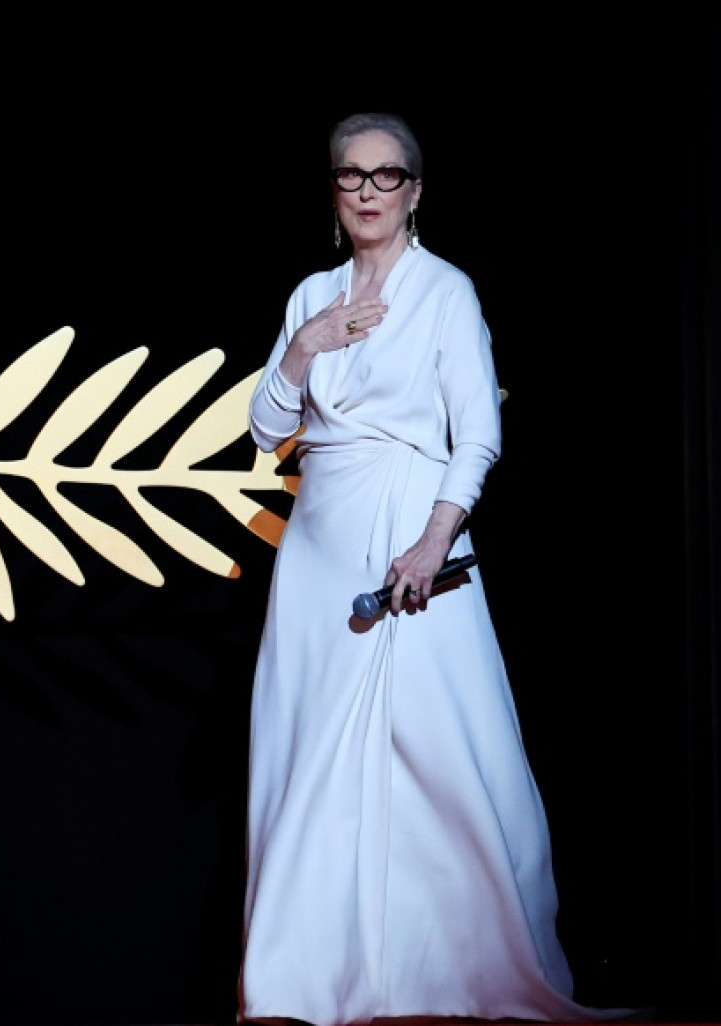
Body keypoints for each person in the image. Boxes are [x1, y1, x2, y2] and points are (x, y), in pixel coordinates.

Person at [239, 112, 632, 1025]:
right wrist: (305, 348)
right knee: (309, 755)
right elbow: (266, 431)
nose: (368, 191)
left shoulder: (445, 292)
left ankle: (446, 966)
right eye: (351, 177)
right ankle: (303, 979)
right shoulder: (311, 295)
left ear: (415, 191)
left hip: (416, 530)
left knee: (441, 749)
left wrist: (432, 540)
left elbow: (479, 433)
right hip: (321, 540)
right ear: (334, 195)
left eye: (386, 176)